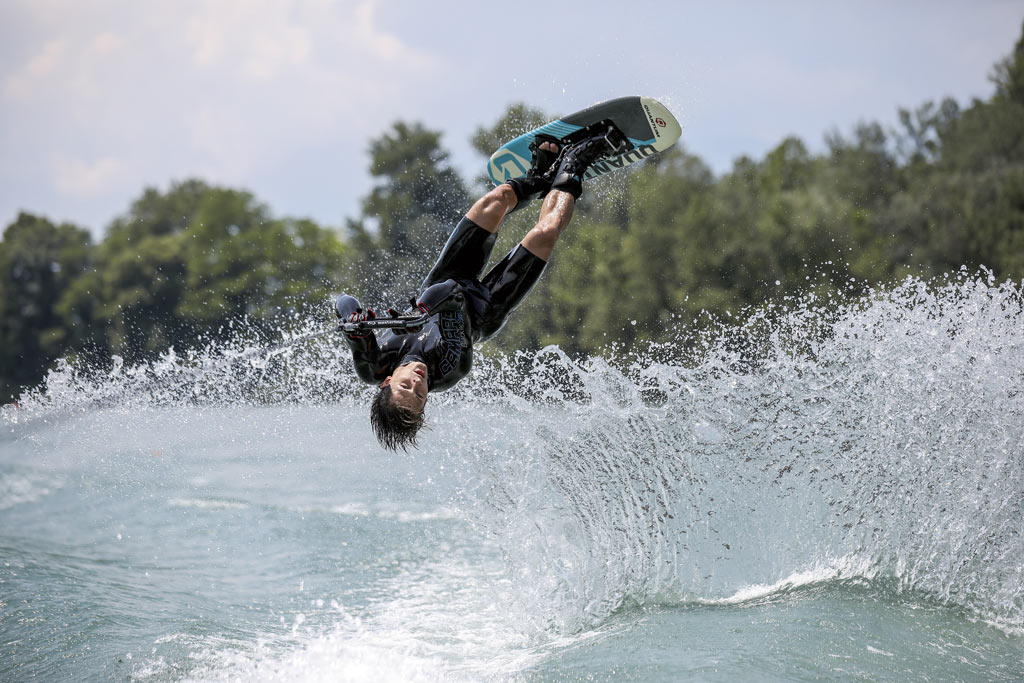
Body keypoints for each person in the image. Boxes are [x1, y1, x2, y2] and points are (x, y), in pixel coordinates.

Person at [336, 131, 614, 450]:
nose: (418, 382)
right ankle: (574, 167)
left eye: (406, 386)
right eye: (421, 394)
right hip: (484, 308)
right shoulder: (451, 368)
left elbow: (344, 301)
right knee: (545, 233)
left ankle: (540, 175)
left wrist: (353, 321)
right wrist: (422, 313)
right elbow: (452, 296)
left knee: (492, 203)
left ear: (387, 381)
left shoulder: (373, 364)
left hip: (442, 279)